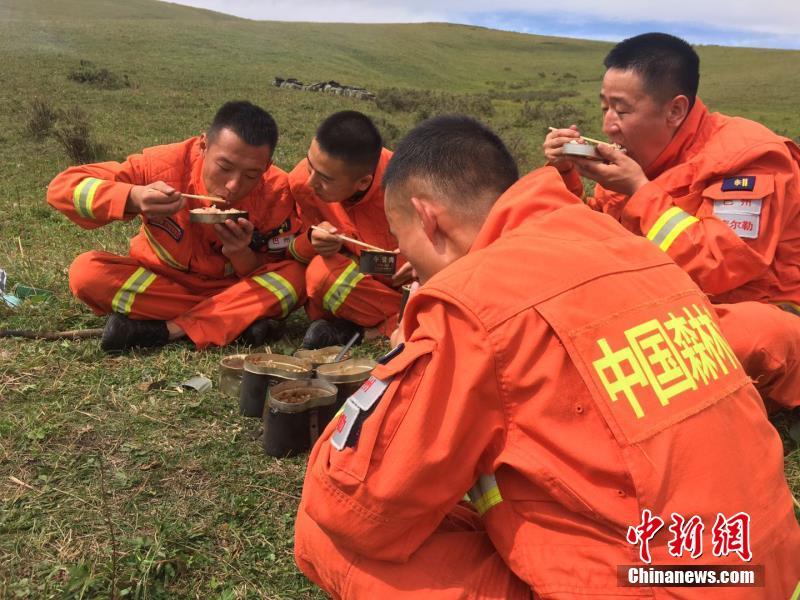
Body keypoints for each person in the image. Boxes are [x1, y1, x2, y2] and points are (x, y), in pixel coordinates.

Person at [294, 115, 800, 598]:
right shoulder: (627, 245)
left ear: (428, 220)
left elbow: (353, 506)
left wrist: (405, 356)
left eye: (407, 244)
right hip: (768, 565)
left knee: (327, 533)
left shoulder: (477, 302)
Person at [543, 32, 800, 409]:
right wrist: (566, 175)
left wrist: (639, 191)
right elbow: (592, 240)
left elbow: (722, 265)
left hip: (755, 309)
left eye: (622, 110)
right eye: (605, 109)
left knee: (758, 333)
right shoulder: (640, 159)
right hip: (667, 307)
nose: (610, 125)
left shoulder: (748, 158)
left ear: (675, 110)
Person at [47, 100, 305, 352]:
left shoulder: (278, 193)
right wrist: (133, 197)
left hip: (231, 287)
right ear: (203, 145)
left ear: (267, 167)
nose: (233, 186)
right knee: (87, 273)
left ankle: (170, 330)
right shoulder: (162, 165)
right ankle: (236, 320)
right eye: (224, 167)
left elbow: (271, 267)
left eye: (251, 175)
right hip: (161, 284)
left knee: (296, 278)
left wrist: (240, 253)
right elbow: (63, 187)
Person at [286, 111, 411, 350]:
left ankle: (367, 331)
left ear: (363, 182)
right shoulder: (302, 183)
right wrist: (312, 240)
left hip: (407, 285)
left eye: (323, 178)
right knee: (320, 273)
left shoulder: (408, 188)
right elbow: (294, 251)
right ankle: (400, 323)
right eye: (310, 166)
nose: (311, 182)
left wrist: (421, 261)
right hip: (359, 285)